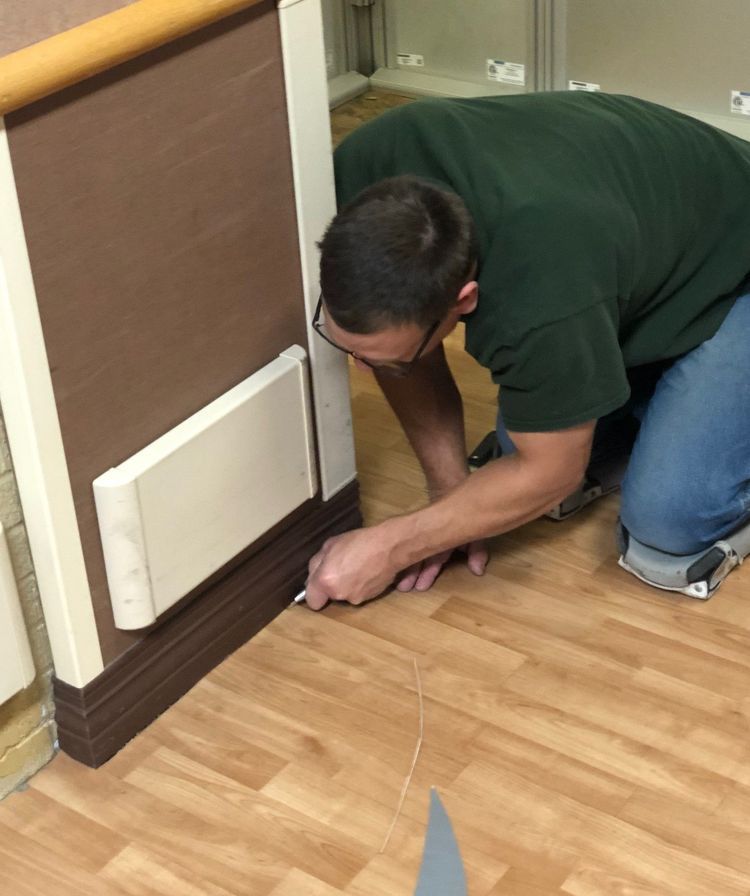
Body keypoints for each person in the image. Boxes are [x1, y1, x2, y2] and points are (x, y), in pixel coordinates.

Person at [303, 91, 750, 610]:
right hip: (649, 247)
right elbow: (402, 352)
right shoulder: (356, 178)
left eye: (387, 360)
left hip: (736, 262)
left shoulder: (542, 288)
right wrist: (449, 509)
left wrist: (395, 545)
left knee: (668, 521)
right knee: (508, 479)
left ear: (465, 299)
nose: (360, 370)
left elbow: (551, 472)